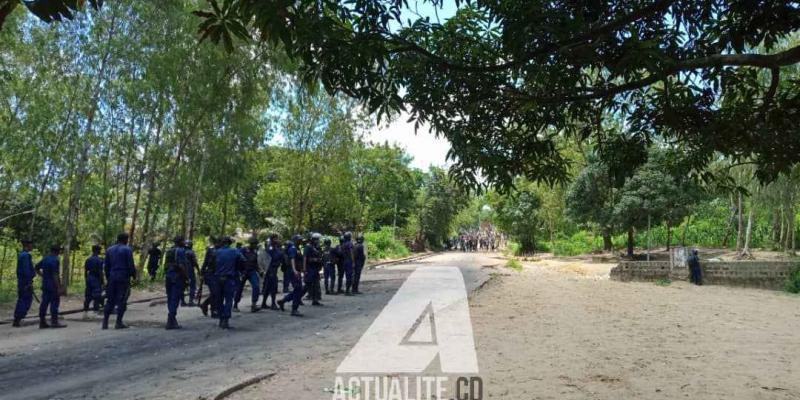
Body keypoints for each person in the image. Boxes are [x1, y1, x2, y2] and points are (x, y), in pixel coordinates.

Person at [103, 233, 136, 330]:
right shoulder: (127, 250)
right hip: (123, 277)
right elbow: (130, 265)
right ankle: (118, 322)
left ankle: (105, 322)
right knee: (122, 300)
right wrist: (134, 276)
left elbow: (106, 266)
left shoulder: (109, 250)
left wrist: (108, 278)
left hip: (112, 277)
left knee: (110, 299)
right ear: (126, 239)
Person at [214, 236, 246, 329]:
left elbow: (212, 264)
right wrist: (239, 269)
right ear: (230, 243)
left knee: (219, 299)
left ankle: (221, 318)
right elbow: (243, 261)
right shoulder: (235, 251)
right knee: (228, 299)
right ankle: (226, 319)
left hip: (218, 278)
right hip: (229, 278)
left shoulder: (216, 252)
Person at [36, 245, 66, 329]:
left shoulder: (45, 259)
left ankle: (42, 321)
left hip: (45, 284)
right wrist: (59, 287)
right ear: (57, 252)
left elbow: (36, 267)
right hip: (53, 285)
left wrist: (43, 276)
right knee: (54, 303)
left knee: (44, 303)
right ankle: (54, 321)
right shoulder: (55, 260)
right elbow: (55, 275)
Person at [164, 236, 189, 330]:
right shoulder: (181, 251)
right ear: (180, 242)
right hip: (177, 277)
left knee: (170, 298)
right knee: (175, 298)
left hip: (168, 276)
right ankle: (170, 320)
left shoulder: (169, 251)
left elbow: (165, 265)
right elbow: (182, 266)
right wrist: (186, 277)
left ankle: (172, 319)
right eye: (183, 241)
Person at [277, 236, 305, 317]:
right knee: (298, 288)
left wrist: (301, 269)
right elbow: (292, 259)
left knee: (298, 289)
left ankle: (283, 301)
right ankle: (294, 309)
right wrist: (294, 270)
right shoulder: (293, 248)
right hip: (293, 271)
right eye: (299, 240)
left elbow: (299, 259)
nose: (300, 241)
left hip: (296, 271)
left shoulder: (297, 248)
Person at [12, 239, 35, 327]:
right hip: (25, 282)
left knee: (23, 299)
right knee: (25, 299)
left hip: (22, 281)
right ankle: (18, 318)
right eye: (31, 245)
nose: (32, 247)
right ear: (27, 246)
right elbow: (26, 270)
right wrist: (29, 281)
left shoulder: (21, 255)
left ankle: (18, 318)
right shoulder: (26, 256)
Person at [235, 237, 262, 313]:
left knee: (256, 286)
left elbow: (255, 263)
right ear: (251, 244)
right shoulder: (243, 250)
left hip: (251, 271)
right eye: (255, 244)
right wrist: (239, 272)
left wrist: (259, 271)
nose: (256, 245)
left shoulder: (255, 251)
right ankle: (235, 305)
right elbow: (238, 260)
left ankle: (254, 305)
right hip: (243, 272)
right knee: (239, 288)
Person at [199, 237, 220, 318]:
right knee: (215, 293)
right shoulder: (211, 251)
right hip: (211, 274)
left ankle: (205, 305)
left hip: (218, 274)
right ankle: (213, 311)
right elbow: (205, 262)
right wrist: (202, 273)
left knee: (216, 293)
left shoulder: (222, 251)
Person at [260, 234, 283, 310]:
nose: (277, 240)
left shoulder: (276, 248)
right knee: (273, 287)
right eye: (275, 239)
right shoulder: (270, 248)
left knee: (268, 287)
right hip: (270, 270)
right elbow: (268, 260)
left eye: (277, 238)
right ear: (272, 239)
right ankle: (273, 304)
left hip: (274, 270)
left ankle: (264, 303)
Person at [83, 244, 105, 316]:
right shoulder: (99, 260)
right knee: (97, 296)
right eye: (99, 250)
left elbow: (86, 271)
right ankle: (95, 311)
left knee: (88, 296)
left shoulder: (88, 260)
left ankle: (85, 311)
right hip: (96, 279)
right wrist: (102, 282)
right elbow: (100, 272)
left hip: (89, 278)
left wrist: (86, 279)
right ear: (97, 251)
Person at [303, 233, 324, 306]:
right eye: (316, 239)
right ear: (312, 239)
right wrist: (305, 269)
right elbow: (305, 258)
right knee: (307, 285)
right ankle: (297, 298)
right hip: (309, 269)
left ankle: (315, 300)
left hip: (315, 269)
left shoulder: (315, 247)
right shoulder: (308, 247)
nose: (318, 241)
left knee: (315, 284)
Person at [183, 240, 199, 307]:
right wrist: (198, 270)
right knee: (192, 285)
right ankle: (190, 301)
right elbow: (195, 262)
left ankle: (182, 301)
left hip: (181, 271)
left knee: (183, 285)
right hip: (189, 270)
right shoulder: (191, 252)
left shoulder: (181, 251)